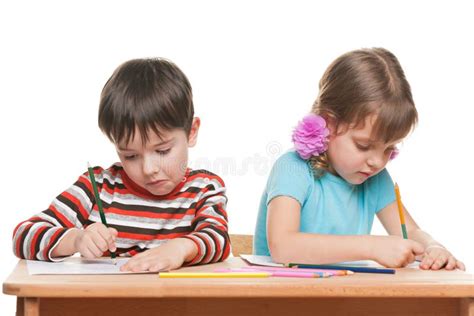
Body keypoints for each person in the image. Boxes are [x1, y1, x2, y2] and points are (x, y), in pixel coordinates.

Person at [254, 48, 464, 270]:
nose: (378, 162)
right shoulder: (293, 168)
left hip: (342, 296)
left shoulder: (374, 177)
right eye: (364, 145)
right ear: (328, 122)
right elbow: (283, 246)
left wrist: (433, 247)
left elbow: (409, 232)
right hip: (280, 299)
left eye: (388, 149)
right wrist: (371, 247)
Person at [13, 58, 230, 272]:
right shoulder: (96, 188)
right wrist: (75, 239)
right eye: (131, 156)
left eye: (162, 151)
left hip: (180, 307)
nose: (148, 169)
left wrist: (181, 248)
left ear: (191, 132)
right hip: (102, 307)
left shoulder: (204, 188)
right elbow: (23, 235)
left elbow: (218, 239)